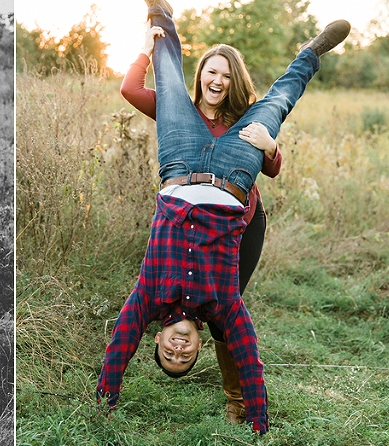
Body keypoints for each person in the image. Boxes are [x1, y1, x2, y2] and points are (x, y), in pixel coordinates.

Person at [95, 0, 350, 434]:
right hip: (234, 181)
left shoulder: (147, 298)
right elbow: (250, 355)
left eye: (168, 354)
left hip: (180, 165)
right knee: (278, 103)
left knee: (168, 78)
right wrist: (259, 421)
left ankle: (159, 11)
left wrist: (102, 404)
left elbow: (118, 345)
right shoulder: (224, 307)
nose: (178, 350)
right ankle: (310, 53)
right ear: (192, 349)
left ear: (155, 341)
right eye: (184, 357)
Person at [120, 22, 280, 424]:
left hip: (243, 223)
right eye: (212, 72)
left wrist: (271, 146)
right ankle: (194, 340)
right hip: (189, 222)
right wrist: (146, 50)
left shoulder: (243, 116)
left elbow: (273, 167)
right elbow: (130, 90)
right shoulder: (178, 111)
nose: (219, 81)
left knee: (228, 308)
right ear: (200, 75)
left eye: (227, 75)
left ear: (234, 81)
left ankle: (236, 400)